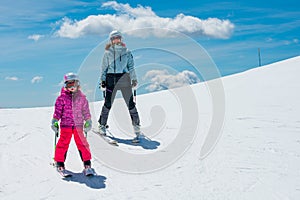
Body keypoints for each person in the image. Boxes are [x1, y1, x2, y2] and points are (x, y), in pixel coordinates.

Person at [98, 30, 141, 142]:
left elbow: (131, 67)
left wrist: (134, 79)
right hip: (111, 78)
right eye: (114, 38)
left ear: (121, 39)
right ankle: (102, 125)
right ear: (111, 40)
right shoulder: (107, 53)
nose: (116, 40)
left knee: (130, 103)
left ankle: (136, 127)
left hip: (124, 78)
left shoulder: (127, 52)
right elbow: (104, 68)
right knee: (108, 103)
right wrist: (103, 81)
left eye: (118, 37)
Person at [51, 72, 93, 175]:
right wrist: (55, 121)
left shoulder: (82, 98)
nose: (72, 87)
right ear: (65, 85)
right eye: (69, 84)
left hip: (78, 126)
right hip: (66, 126)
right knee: (62, 144)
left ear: (78, 84)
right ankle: (60, 164)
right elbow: (58, 111)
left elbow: (85, 111)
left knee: (83, 145)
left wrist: (88, 120)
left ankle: (87, 164)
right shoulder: (62, 98)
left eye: (73, 84)